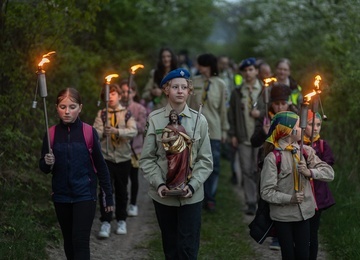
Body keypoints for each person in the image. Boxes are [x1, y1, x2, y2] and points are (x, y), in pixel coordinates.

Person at [139, 68, 213, 259]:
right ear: (166, 90)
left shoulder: (200, 120)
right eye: (174, 87)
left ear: (190, 91)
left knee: (188, 246)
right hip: (163, 194)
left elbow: (205, 160)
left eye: (184, 87)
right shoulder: (155, 120)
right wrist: (159, 183)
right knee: (170, 246)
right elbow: (148, 158)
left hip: (191, 195)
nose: (179, 91)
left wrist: (193, 185)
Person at [39, 88, 114, 260]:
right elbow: (43, 167)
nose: (67, 111)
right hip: (61, 196)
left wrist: (107, 196)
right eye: (62, 106)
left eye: (72, 107)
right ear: (56, 107)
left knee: (80, 241)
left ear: (80, 108)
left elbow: (101, 166)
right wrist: (47, 162)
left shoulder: (88, 132)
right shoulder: (51, 133)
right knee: (69, 242)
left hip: (85, 195)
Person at [260, 111, 334, 260]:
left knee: (303, 254)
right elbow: (266, 192)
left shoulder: (306, 151)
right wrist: (290, 198)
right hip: (283, 216)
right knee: (288, 255)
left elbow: (329, 173)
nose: (304, 128)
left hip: (304, 213)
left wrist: (310, 172)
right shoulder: (273, 158)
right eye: (300, 126)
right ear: (288, 131)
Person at [250, 83, 294, 250]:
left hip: (289, 164)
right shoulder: (265, 117)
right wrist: (264, 132)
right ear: (271, 104)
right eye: (276, 103)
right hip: (268, 163)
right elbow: (253, 142)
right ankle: (274, 234)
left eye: (283, 103)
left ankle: (288, 232)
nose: (280, 106)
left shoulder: (294, 119)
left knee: (287, 196)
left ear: (288, 103)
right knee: (269, 197)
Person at [93, 83, 137, 237]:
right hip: (106, 158)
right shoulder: (102, 114)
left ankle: (121, 219)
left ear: (119, 96)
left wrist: (117, 131)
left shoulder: (126, 113)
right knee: (106, 190)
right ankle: (105, 221)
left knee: (121, 190)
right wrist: (102, 133)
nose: (110, 97)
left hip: (123, 158)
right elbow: (95, 134)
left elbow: (133, 131)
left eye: (113, 94)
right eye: (107, 94)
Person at [187, 53, 229, 211]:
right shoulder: (193, 82)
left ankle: (210, 197)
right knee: (195, 164)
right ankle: (197, 194)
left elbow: (223, 110)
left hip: (214, 130)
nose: (198, 68)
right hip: (195, 130)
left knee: (213, 165)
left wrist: (224, 130)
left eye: (201, 65)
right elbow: (189, 105)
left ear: (209, 66)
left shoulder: (220, 84)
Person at [228, 57, 265, 215]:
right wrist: (233, 134)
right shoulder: (237, 92)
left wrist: (260, 113)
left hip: (260, 136)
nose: (248, 73)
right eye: (245, 71)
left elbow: (271, 111)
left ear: (256, 71)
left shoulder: (264, 90)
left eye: (251, 70)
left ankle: (260, 198)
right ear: (242, 73)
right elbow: (232, 115)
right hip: (243, 136)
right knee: (246, 169)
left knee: (259, 169)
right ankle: (250, 201)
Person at [304, 110, 335, 260]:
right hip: (302, 195)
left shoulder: (322, 145)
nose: (315, 128)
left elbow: (327, 165)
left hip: (318, 197)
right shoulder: (298, 144)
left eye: (318, 125)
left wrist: (313, 159)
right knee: (301, 232)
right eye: (311, 124)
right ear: (303, 125)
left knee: (313, 232)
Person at [119, 79, 148, 217]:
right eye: (123, 91)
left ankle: (133, 204)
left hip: (134, 149)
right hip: (119, 149)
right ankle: (121, 203)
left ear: (134, 92)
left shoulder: (139, 109)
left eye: (128, 91)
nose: (125, 94)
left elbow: (142, 127)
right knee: (121, 179)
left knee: (133, 177)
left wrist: (129, 123)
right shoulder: (116, 107)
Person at [161, 109, 193, 191]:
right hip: (172, 151)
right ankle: (171, 185)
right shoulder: (168, 128)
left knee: (182, 168)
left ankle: (180, 184)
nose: (173, 118)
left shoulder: (181, 128)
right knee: (172, 168)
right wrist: (172, 138)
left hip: (183, 151)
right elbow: (163, 140)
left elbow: (186, 139)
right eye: (171, 116)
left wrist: (189, 141)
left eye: (174, 116)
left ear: (177, 117)